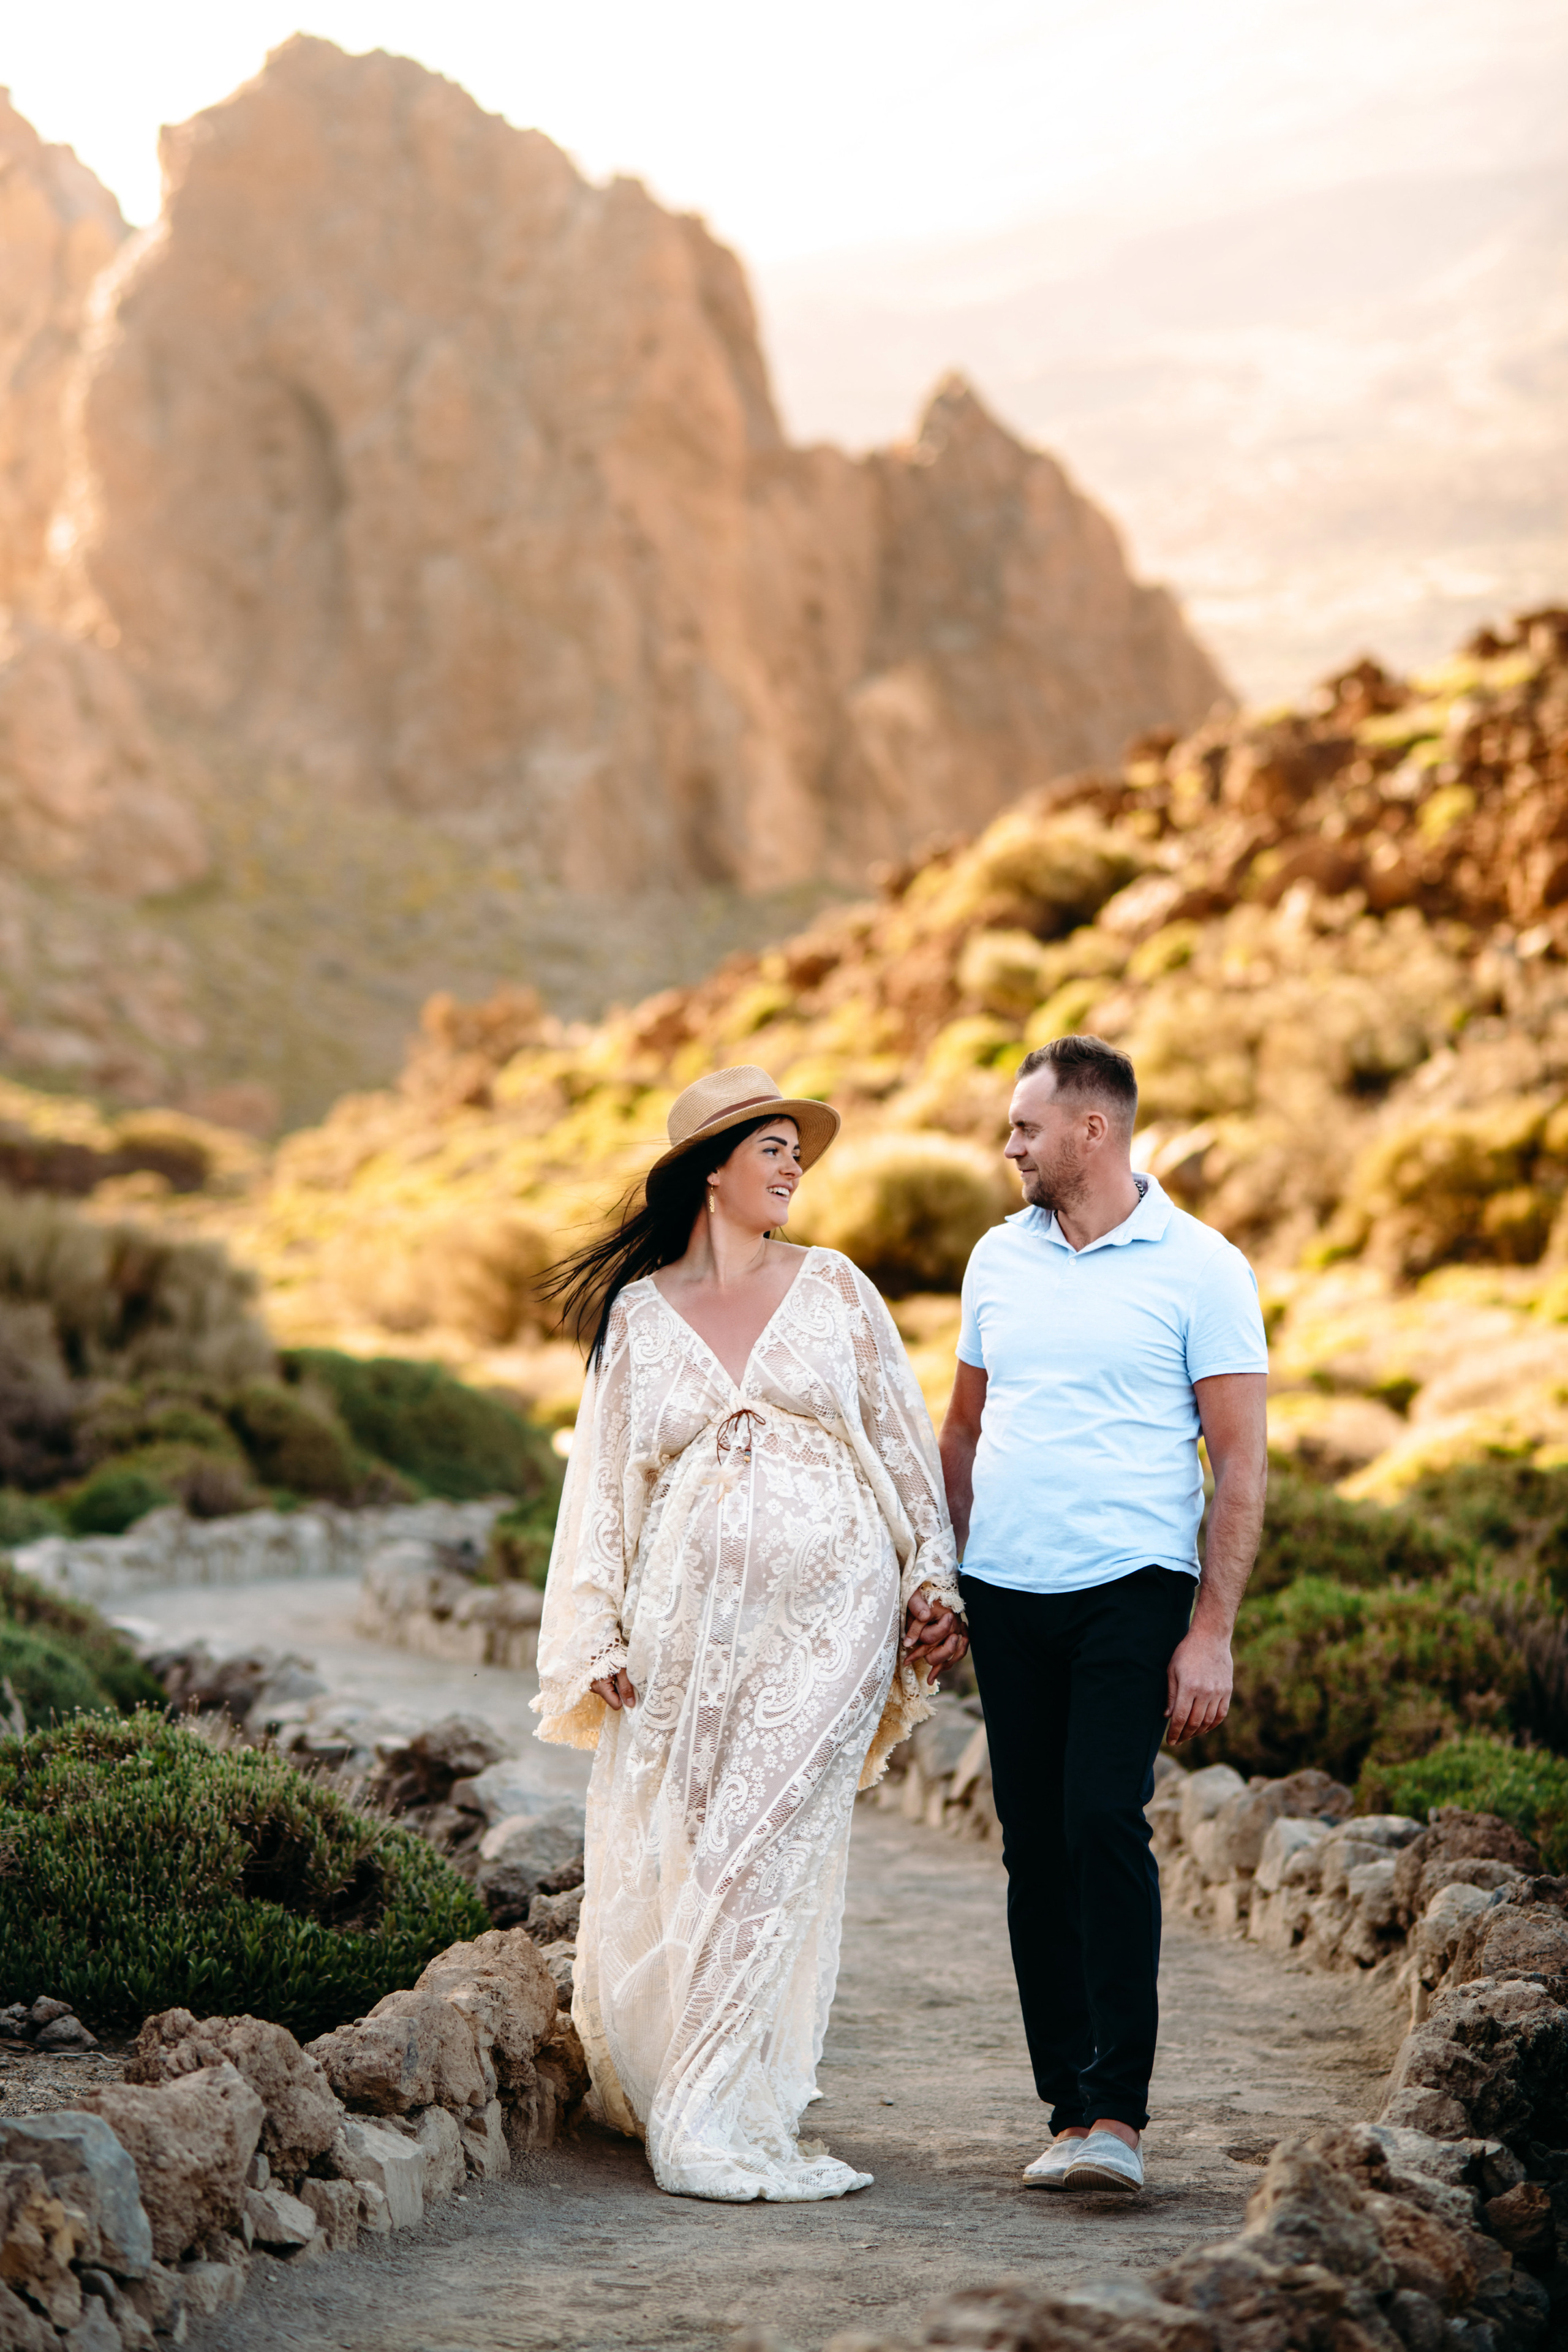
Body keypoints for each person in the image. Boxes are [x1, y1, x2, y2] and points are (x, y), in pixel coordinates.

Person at [533, 1065, 968, 2203]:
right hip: (682, 1631)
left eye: (796, 1150)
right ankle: (694, 2081)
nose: (792, 1166)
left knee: (761, 1842)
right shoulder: (638, 1314)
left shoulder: (835, 1288)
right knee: (692, 1840)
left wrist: (934, 1578)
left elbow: (901, 1438)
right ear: (709, 1171)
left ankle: (708, 2121)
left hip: (835, 1615)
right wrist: (598, 1634)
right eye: (770, 1146)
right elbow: (605, 1495)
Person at [939, 1033, 1267, 2196]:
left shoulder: (1203, 1267)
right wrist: (945, 1575)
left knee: (1098, 1822)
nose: (1010, 1145)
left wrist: (1210, 1629)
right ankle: (1066, 2111)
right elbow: (964, 1433)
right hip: (1007, 1592)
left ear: (1095, 1130)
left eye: (1026, 1127)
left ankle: (1119, 2115)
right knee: (1033, 1848)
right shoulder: (997, 1257)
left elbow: (1238, 1465)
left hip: (1134, 1589)